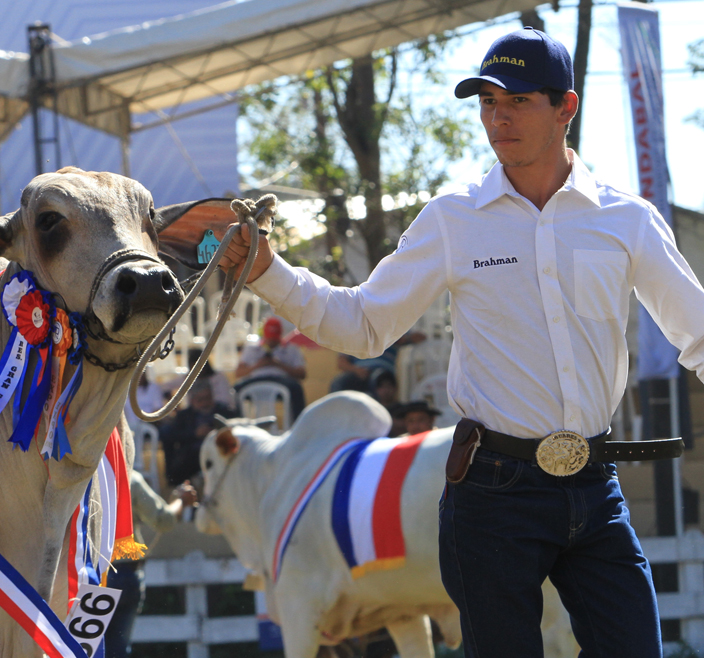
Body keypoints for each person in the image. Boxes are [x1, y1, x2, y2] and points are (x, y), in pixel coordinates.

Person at [219, 27, 704, 658]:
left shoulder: (627, 220)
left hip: (595, 485)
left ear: (567, 107)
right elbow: (364, 325)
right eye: (486, 103)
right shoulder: (452, 218)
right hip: (491, 493)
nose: (497, 119)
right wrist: (268, 272)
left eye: (517, 101)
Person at [103, 472, 196, 658]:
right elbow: (162, 520)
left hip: (94, 577)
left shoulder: (80, 473)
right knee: (118, 650)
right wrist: (180, 501)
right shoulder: (128, 477)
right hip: (127, 574)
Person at [159, 380, 235, 487]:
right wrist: (194, 434)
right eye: (200, 400)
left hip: (220, 454)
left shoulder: (223, 411)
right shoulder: (184, 416)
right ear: (192, 400)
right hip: (192, 458)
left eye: (208, 398)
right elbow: (172, 435)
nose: (205, 403)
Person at [234, 316, 307, 420]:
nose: (271, 341)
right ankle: (238, 424)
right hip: (256, 380)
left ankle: (298, 425)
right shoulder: (252, 348)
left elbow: (302, 374)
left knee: (296, 388)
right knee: (235, 390)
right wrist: (259, 365)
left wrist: (277, 364)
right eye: (269, 337)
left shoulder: (291, 349)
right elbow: (238, 373)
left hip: (282, 381)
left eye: (274, 338)